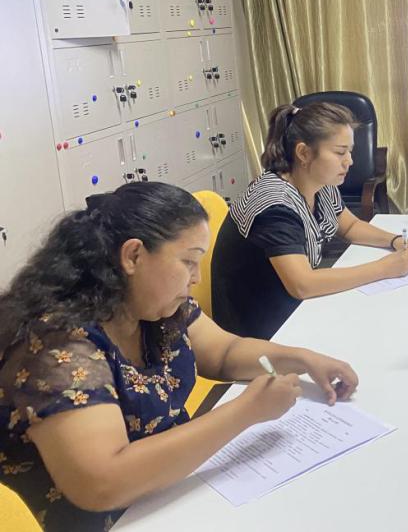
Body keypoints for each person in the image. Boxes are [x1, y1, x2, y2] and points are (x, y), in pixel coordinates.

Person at [0, 182, 359, 532]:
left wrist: (302, 358)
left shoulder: (154, 307)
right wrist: (247, 410)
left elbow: (224, 352)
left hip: (161, 491)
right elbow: (102, 483)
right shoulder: (58, 345)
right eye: (188, 261)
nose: (196, 278)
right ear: (133, 256)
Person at [212, 102, 408, 339]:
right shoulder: (274, 206)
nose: (349, 161)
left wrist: (396, 241)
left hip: (290, 309)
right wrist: (384, 268)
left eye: (350, 151)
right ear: (304, 153)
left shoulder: (319, 184)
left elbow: (350, 226)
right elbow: (303, 285)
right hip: (257, 331)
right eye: (340, 152)